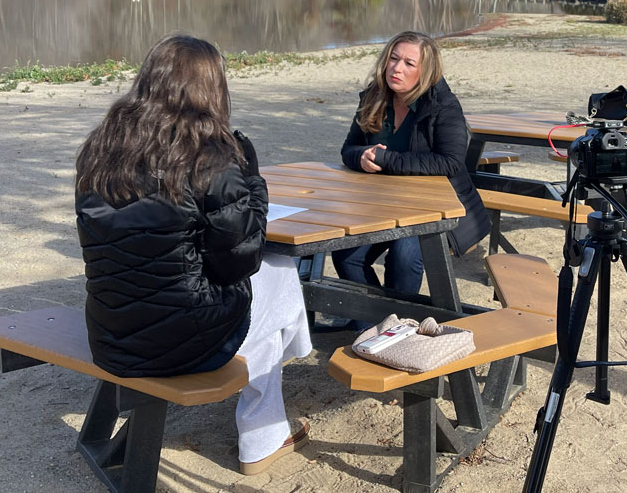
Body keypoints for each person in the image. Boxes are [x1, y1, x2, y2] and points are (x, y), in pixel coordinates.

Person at [75, 34, 312, 476]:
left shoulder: (101, 148)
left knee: (259, 288)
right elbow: (239, 262)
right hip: (184, 343)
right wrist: (252, 179)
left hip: (109, 332)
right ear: (212, 89)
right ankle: (264, 431)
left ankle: (270, 412)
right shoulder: (211, 157)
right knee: (278, 273)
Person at [334, 31, 490, 299]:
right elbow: (348, 148)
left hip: (435, 206)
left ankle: (396, 325)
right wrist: (361, 157)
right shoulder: (374, 96)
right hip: (382, 203)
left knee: (404, 256)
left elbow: (451, 162)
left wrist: (386, 159)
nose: (396, 68)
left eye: (409, 63)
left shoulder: (444, 105)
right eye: (393, 59)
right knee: (345, 254)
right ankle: (371, 322)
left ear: (426, 71)